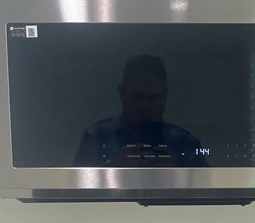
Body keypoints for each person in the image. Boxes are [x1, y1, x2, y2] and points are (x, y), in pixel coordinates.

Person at [73, 55, 207, 167]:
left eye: (153, 97)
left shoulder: (185, 142)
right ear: (122, 93)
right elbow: (75, 189)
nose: (145, 105)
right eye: (137, 96)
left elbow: (206, 192)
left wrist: (175, 173)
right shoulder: (96, 136)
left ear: (165, 95)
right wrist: (113, 167)